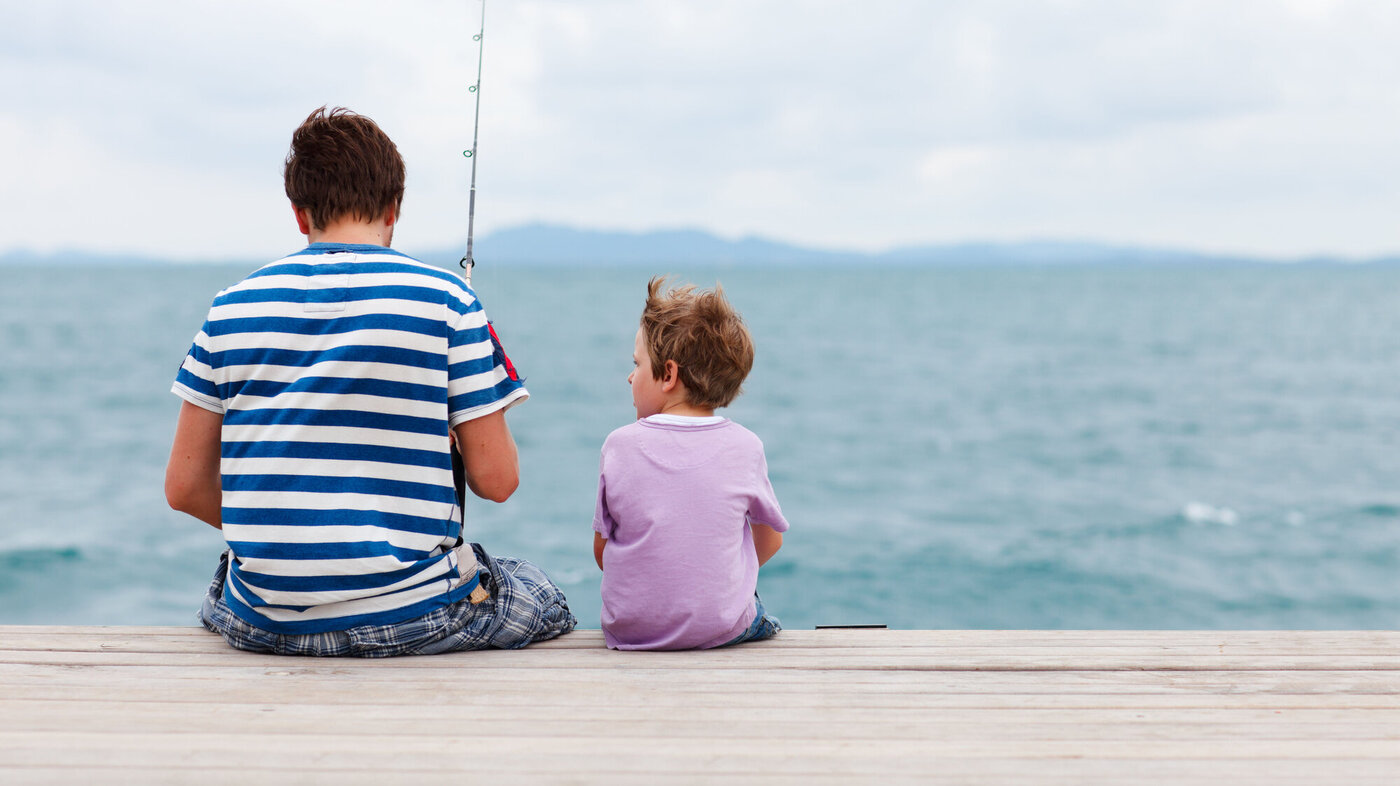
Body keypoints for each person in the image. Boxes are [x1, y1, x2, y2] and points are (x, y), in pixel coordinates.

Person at [164, 106, 575, 656]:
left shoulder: (230, 305)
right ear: (393, 207)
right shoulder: (449, 301)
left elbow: (184, 487)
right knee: (537, 590)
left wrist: (295, 531)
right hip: (409, 618)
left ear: (299, 212)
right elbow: (498, 480)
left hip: (262, 620)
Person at [591, 276, 789, 650]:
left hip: (631, 630)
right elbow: (771, 539)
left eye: (638, 364)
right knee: (759, 613)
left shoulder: (619, 445)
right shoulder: (746, 446)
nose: (630, 376)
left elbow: (602, 553)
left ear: (668, 374)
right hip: (721, 628)